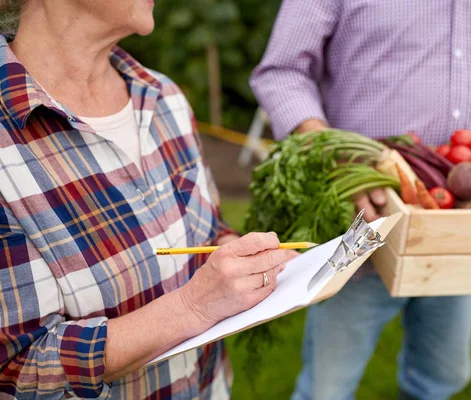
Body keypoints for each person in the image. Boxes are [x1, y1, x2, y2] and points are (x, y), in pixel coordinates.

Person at [250, 1, 471, 399]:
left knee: (442, 379)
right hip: (362, 218)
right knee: (327, 387)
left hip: (464, 226)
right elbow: (283, 71)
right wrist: (334, 153)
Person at [0, 1, 298, 399]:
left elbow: (208, 232)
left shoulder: (164, 97)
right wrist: (192, 307)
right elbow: (16, 369)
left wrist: (245, 260)